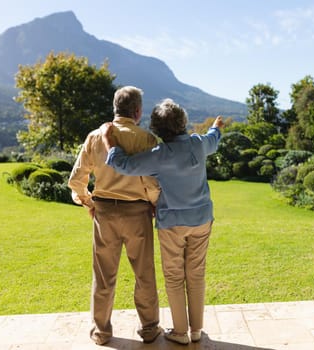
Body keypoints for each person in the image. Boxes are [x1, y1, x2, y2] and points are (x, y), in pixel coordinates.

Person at [101, 98, 224, 345]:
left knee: (174, 276)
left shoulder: (158, 155)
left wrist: (109, 140)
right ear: (183, 122)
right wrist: (216, 126)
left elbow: (122, 164)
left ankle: (180, 332)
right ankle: (196, 330)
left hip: (172, 224)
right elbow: (213, 139)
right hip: (201, 219)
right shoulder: (198, 145)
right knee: (196, 274)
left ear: (157, 128)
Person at [68, 86, 162, 346]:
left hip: (105, 213)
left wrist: (89, 203)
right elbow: (152, 183)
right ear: (137, 111)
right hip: (138, 213)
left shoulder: (95, 137)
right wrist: (154, 204)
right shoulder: (145, 138)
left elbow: (76, 181)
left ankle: (101, 332)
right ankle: (150, 329)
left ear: (115, 108)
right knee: (144, 274)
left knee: (103, 275)